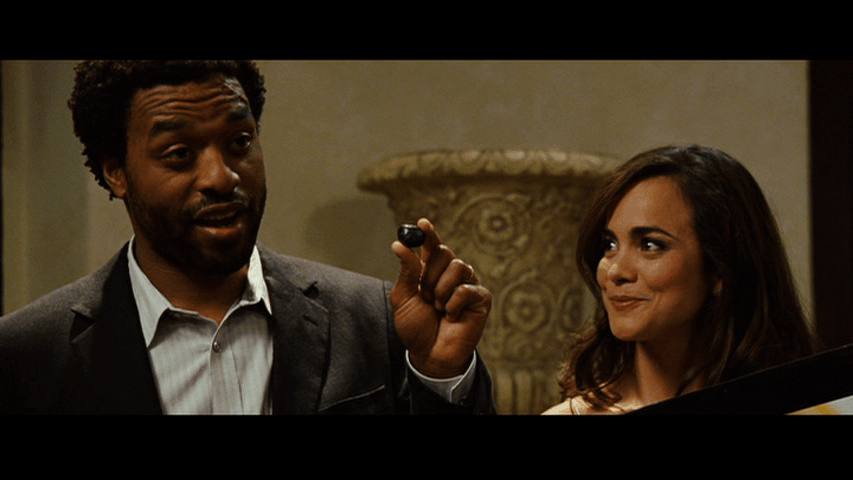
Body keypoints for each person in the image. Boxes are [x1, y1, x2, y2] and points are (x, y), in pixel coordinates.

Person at [0, 60, 495, 414]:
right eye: (178, 153)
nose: (220, 177)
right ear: (116, 174)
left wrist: (440, 374)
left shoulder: (374, 320)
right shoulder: (29, 355)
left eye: (239, 142)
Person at [543, 144, 816, 414]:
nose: (615, 272)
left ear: (720, 269)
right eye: (610, 245)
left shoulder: (812, 406)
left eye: (650, 245)